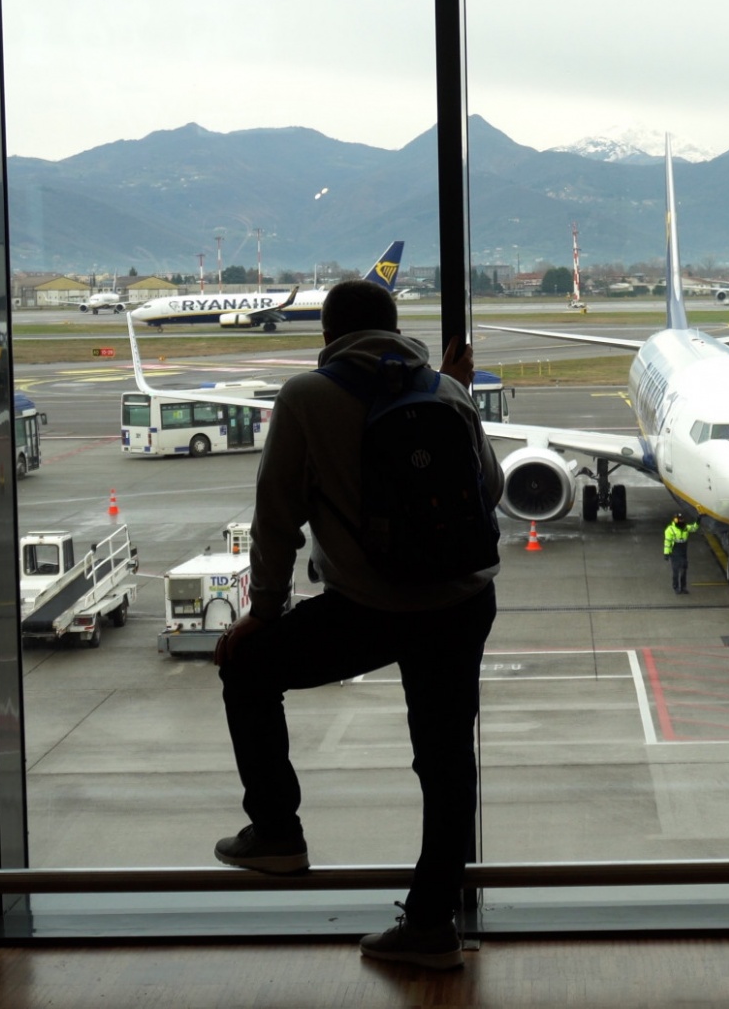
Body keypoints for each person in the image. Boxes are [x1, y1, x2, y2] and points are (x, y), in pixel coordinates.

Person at [213, 279, 503, 971]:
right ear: (396, 327)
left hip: (370, 607)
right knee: (446, 762)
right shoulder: (446, 389)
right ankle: (432, 925)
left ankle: (277, 831)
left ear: (328, 334)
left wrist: (264, 612)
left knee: (246, 670)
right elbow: (489, 488)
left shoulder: (305, 396)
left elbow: (275, 517)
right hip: (461, 602)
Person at [663, 512, 699, 594]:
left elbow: (693, 528)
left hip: (683, 552)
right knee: (676, 570)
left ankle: (683, 587)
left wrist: (698, 520)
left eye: (683, 519)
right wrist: (666, 553)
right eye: (680, 519)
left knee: (684, 569)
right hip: (675, 552)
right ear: (675, 520)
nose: (682, 521)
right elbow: (667, 542)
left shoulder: (685, 527)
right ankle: (675, 587)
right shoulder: (670, 530)